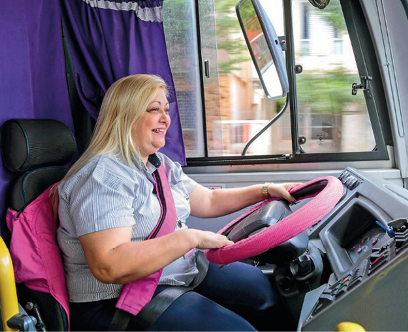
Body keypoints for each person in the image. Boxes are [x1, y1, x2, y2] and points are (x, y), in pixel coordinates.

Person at [56, 74, 300, 331]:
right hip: (116, 300)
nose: (165, 118)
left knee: (263, 294)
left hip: (176, 270)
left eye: (166, 110)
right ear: (125, 115)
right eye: (154, 109)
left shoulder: (158, 164)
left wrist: (265, 190)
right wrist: (190, 238)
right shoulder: (103, 177)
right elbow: (109, 265)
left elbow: (208, 200)